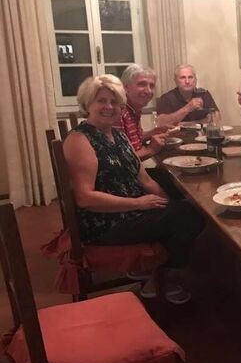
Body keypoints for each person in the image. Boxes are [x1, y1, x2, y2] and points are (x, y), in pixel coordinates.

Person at [63, 74, 204, 305]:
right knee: (189, 217)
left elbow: (145, 180)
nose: (109, 107)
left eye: (114, 102)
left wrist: (169, 204)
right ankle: (165, 278)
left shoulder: (117, 135)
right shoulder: (80, 139)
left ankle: (154, 268)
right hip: (106, 222)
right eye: (101, 101)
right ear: (87, 104)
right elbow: (85, 198)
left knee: (187, 209)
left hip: (130, 211)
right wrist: (139, 203)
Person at [116, 64, 168, 161]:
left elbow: (131, 141)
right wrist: (151, 150)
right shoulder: (118, 113)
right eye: (142, 84)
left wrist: (153, 132)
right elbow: (121, 160)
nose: (148, 91)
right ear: (125, 87)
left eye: (152, 86)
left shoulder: (134, 109)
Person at [156, 64, 221, 125]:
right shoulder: (167, 98)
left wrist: (186, 124)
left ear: (195, 80)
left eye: (190, 77)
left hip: (203, 133)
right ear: (175, 81)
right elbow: (161, 123)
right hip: (178, 133)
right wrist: (188, 108)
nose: (187, 81)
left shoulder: (203, 94)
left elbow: (217, 118)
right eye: (182, 77)